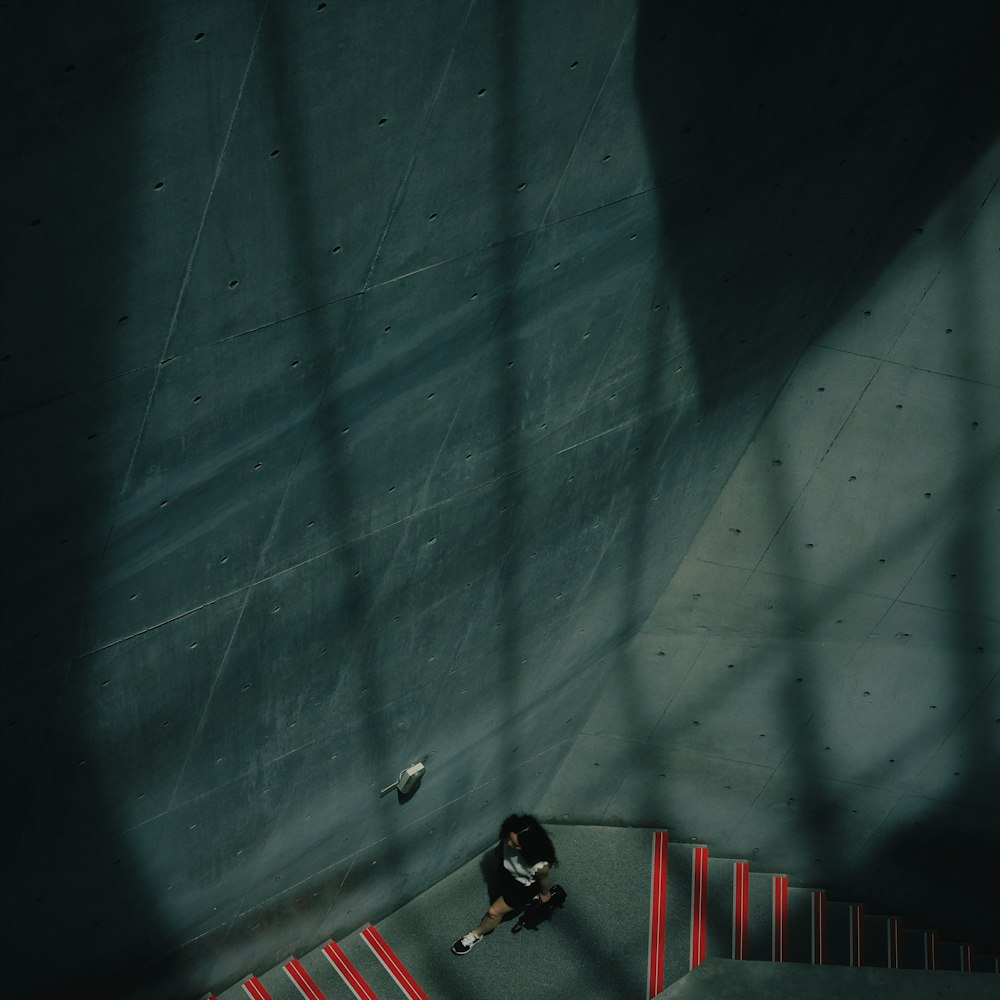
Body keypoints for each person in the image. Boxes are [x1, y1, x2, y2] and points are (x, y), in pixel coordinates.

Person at [452, 814, 559, 955]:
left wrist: (545, 893)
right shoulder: (508, 840)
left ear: (528, 846)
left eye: (516, 845)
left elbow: (543, 880)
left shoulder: (540, 865)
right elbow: (500, 851)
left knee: (493, 912)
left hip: (520, 889)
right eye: (508, 839)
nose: (509, 844)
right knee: (500, 892)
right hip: (506, 874)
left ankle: (475, 935)